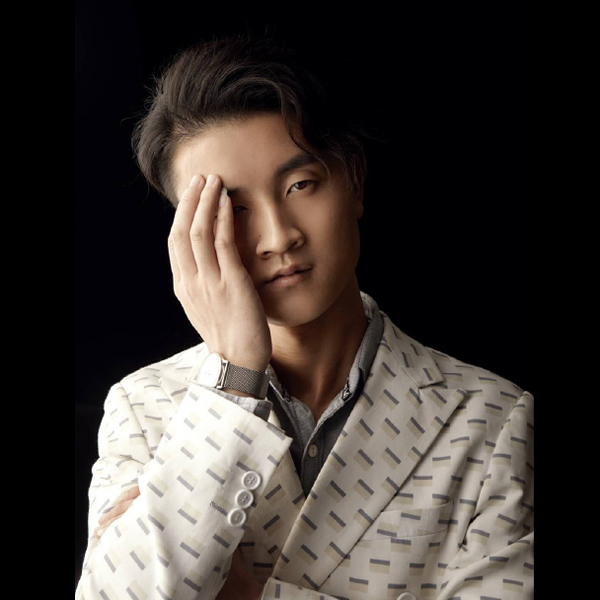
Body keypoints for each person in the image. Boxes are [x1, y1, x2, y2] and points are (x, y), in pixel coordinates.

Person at [76, 32, 534, 600]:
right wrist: (235, 378)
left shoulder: (494, 419)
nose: (279, 236)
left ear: (354, 182)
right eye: (233, 210)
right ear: (189, 233)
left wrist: (243, 595)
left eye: (301, 185)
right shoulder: (144, 406)